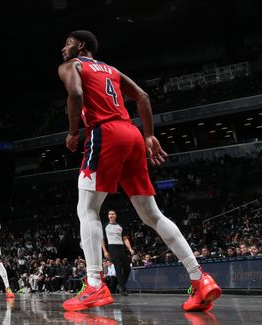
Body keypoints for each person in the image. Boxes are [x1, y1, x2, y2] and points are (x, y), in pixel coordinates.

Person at [58, 30, 221, 312]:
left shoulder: (72, 65)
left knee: (86, 210)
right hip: (131, 134)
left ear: (80, 45)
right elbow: (143, 96)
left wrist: (73, 132)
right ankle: (200, 278)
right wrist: (148, 135)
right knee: (152, 215)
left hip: (105, 133)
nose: (63, 48)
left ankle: (95, 285)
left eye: (68, 43)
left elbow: (75, 93)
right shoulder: (111, 69)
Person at [101, 210, 133, 295]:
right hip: (112, 248)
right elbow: (102, 239)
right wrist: (105, 251)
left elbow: (125, 238)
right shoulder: (105, 226)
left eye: (113, 214)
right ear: (108, 216)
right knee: (118, 268)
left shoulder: (120, 225)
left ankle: (120, 285)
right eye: (109, 214)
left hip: (121, 247)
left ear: (115, 216)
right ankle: (123, 289)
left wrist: (130, 248)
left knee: (127, 268)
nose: (111, 215)